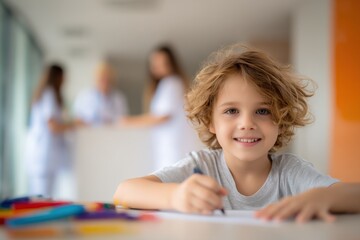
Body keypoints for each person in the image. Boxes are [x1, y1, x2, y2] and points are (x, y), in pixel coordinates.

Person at [114, 44, 360, 222]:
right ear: (210, 120)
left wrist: (322, 197)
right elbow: (124, 192)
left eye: (263, 111)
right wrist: (176, 196)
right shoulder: (201, 166)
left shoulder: (290, 172)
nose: (247, 123)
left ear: (281, 118)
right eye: (231, 110)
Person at [121, 45, 199, 170]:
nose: (156, 66)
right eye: (153, 62)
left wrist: (128, 121)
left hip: (174, 150)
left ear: (170, 63)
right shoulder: (171, 84)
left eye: (161, 62)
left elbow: (162, 117)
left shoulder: (171, 83)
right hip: (173, 149)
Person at [25, 64, 77, 197]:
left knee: (45, 198)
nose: (65, 80)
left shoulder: (48, 94)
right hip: (43, 156)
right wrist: (73, 124)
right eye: (64, 77)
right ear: (58, 77)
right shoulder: (49, 94)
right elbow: (53, 126)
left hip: (47, 157)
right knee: (40, 199)